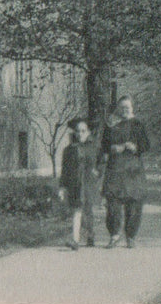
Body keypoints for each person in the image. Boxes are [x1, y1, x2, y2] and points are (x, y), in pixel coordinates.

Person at [98, 95, 150, 248]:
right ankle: (114, 235)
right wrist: (112, 148)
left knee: (134, 203)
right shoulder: (111, 124)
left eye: (127, 107)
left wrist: (136, 147)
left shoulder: (138, 124)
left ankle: (131, 236)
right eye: (122, 107)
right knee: (112, 202)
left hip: (133, 170)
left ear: (132, 108)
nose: (124, 110)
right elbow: (104, 145)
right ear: (118, 108)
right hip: (115, 168)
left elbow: (146, 145)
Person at [58, 118, 99, 250]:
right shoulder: (69, 150)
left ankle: (90, 235)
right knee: (77, 210)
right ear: (74, 132)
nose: (80, 133)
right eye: (78, 131)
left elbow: (101, 162)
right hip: (75, 184)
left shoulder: (94, 147)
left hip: (89, 183)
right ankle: (75, 240)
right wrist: (62, 187)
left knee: (87, 210)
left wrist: (97, 172)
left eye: (83, 131)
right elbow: (65, 170)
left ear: (88, 132)